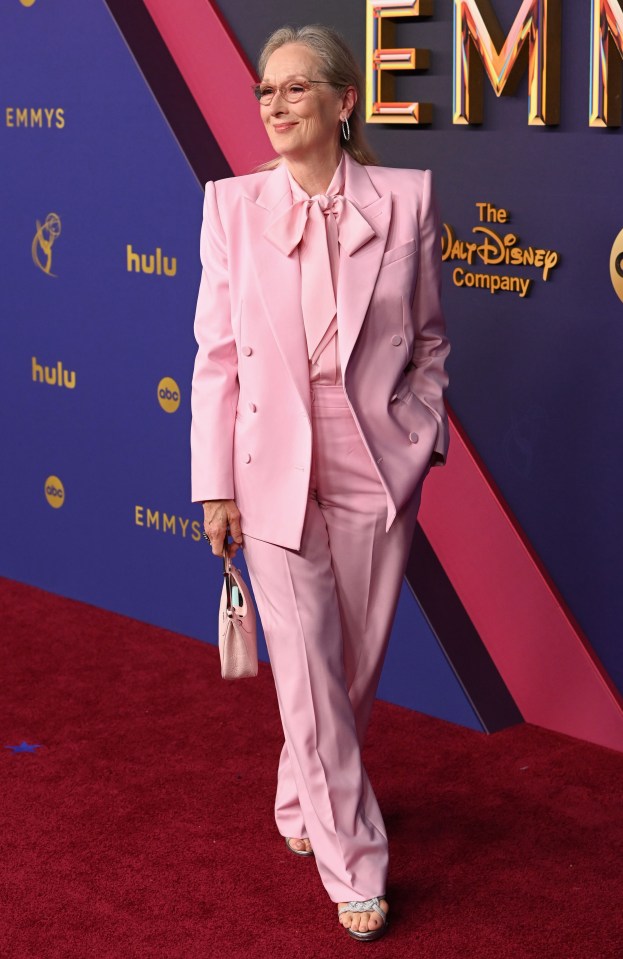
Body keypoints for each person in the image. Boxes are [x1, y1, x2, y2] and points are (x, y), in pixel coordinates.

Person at [190, 23, 450, 942]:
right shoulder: (228, 206)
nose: (275, 104)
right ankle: (356, 862)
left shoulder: (406, 201)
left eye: (297, 89)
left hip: (376, 458)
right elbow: (216, 356)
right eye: (266, 90)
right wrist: (212, 481)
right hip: (269, 461)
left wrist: (422, 434)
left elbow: (426, 341)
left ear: (345, 103)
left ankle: (302, 796)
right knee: (301, 663)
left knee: (351, 666)